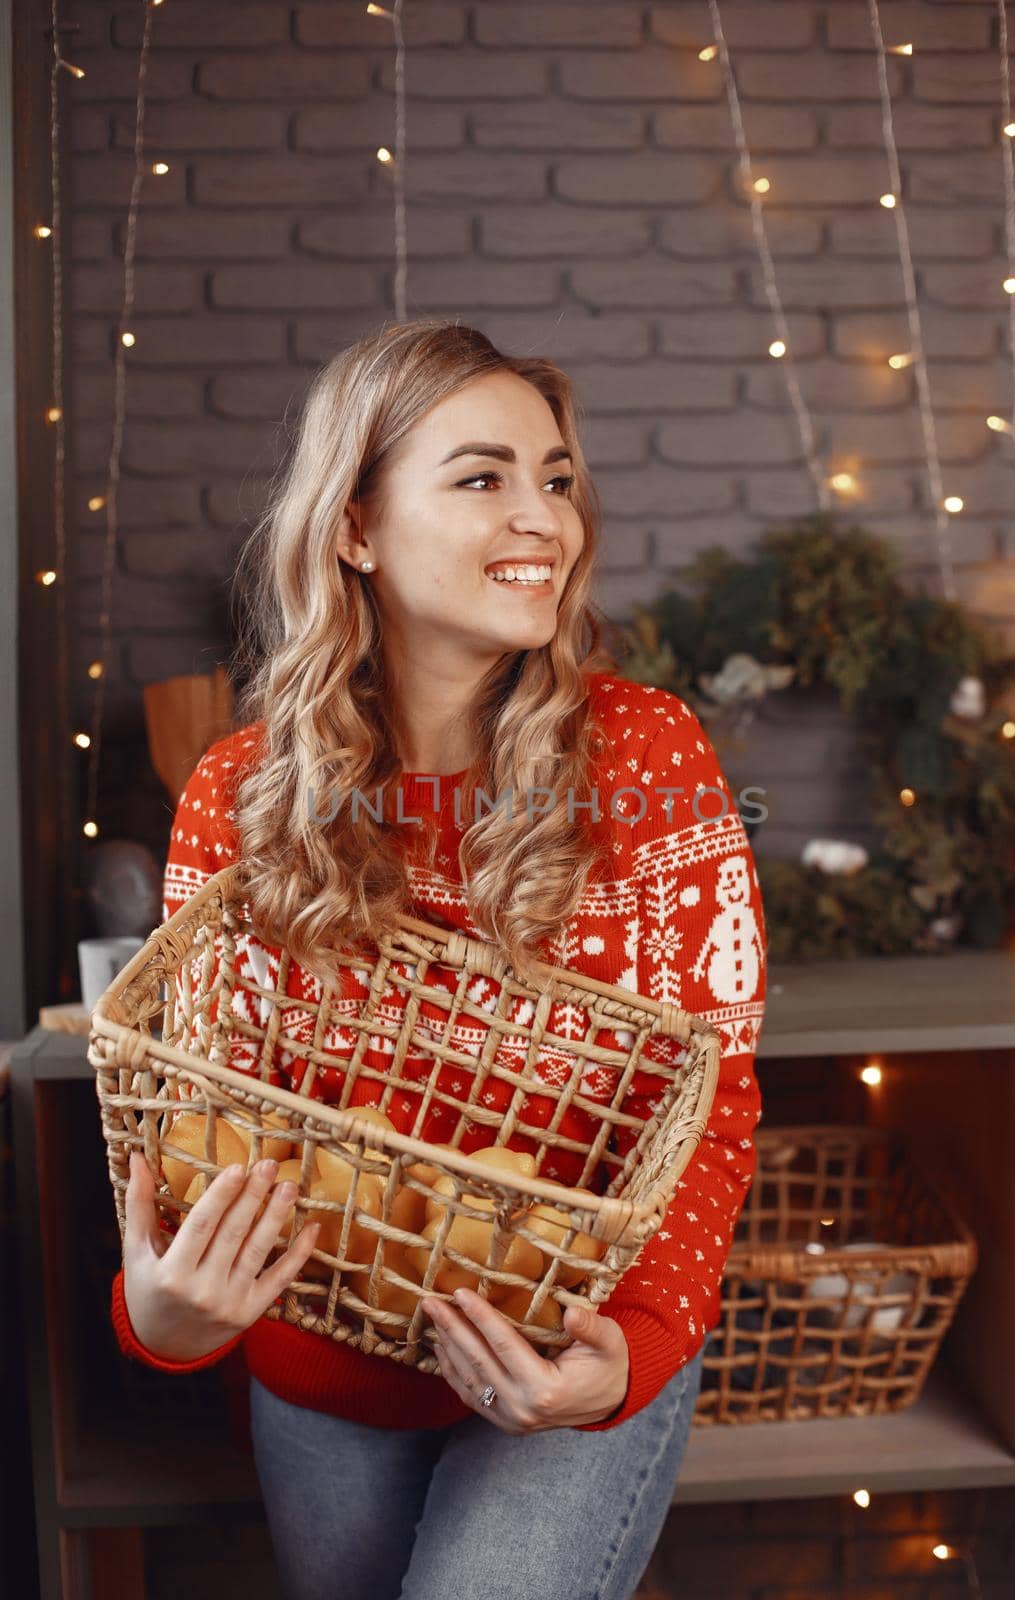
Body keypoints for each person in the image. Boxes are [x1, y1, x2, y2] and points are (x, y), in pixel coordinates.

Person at [112, 320, 767, 1599]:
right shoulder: (238, 796)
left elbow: (711, 1105)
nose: (545, 519)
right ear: (354, 526)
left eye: (557, 478)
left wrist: (622, 1358)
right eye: (482, 478)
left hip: (562, 1353)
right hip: (322, 1372)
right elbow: (193, 1131)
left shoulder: (642, 757)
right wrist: (163, 1319)